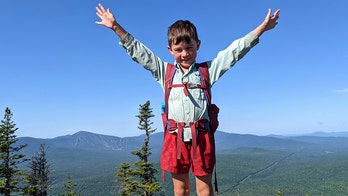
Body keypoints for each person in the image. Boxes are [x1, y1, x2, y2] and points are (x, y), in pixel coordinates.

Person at [96, 3, 280, 196]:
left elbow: (233, 52)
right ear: (170, 49)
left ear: (197, 45)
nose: (184, 54)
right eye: (179, 49)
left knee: (204, 189)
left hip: (201, 137)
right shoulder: (165, 73)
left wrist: (261, 29)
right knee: (181, 189)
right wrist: (116, 27)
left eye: (189, 48)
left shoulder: (207, 71)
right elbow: (141, 54)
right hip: (175, 138)